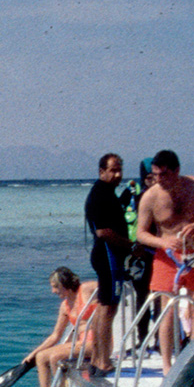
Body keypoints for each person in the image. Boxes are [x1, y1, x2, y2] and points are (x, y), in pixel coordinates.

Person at [134, 149, 194, 365]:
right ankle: (167, 364)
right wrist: (163, 242)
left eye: (165, 174)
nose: (159, 180)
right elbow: (141, 234)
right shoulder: (150, 197)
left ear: (177, 170)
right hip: (167, 257)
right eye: (155, 174)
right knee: (166, 310)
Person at [25, 267, 97, 387]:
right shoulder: (65, 306)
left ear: (65, 284)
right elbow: (55, 336)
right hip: (80, 343)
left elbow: (111, 285)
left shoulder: (86, 289)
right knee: (41, 357)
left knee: (56, 357)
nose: (53, 291)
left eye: (55, 286)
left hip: (96, 341)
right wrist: (33, 353)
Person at [83, 153, 130, 371]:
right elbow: (103, 231)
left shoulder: (107, 193)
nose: (118, 174)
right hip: (107, 256)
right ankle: (102, 359)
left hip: (108, 256)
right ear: (102, 171)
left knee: (105, 305)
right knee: (108, 308)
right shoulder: (100, 194)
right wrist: (130, 246)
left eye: (120, 169)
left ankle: (97, 357)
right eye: (113, 170)